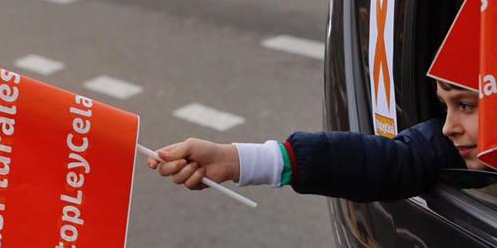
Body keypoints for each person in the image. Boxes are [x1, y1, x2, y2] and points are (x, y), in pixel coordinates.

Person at [149, 80, 479, 201]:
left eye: (466, 105)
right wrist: (234, 161)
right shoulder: (444, 146)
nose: (448, 127)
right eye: (445, 107)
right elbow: (392, 160)